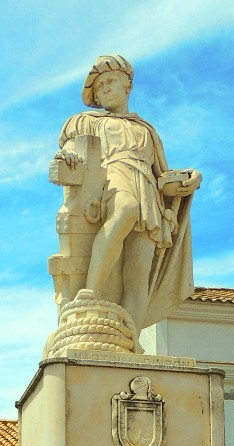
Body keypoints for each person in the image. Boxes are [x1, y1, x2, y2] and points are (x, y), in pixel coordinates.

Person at [54, 54, 201, 338]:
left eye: (109, 82)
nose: (104, 89)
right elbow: (72, 148)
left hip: (149, 193)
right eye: (99, 88)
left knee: (138, 277)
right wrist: (69, 155)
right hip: (113, 177)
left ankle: (129, 341)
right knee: (125, 209)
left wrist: (187, 180)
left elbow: (163, 180)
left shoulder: (145, 130)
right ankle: (92, 290)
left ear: (127, 86)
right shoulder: (86, 121)